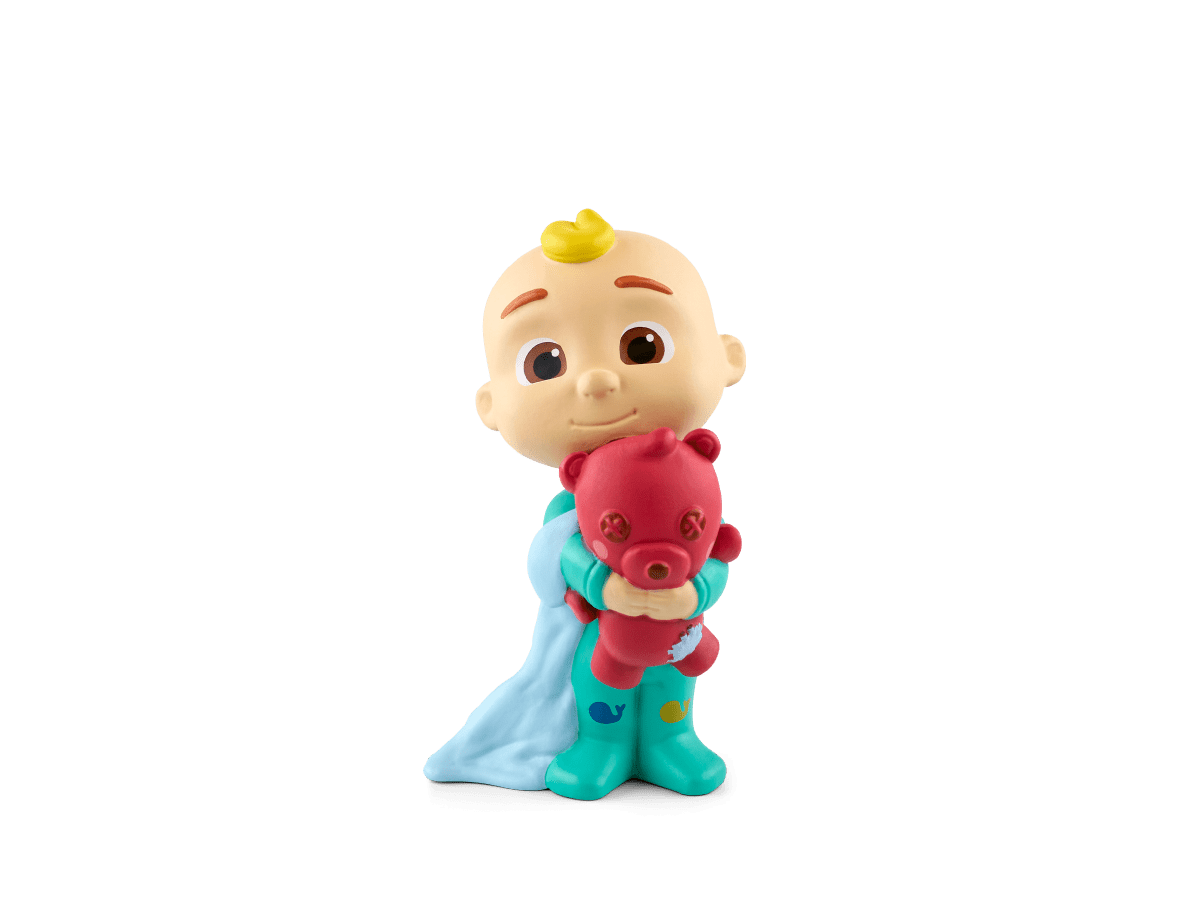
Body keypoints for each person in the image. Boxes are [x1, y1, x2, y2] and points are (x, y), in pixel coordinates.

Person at [423, 209, 747, 799]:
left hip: (678, 632)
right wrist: (605, 586)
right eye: (545, 362)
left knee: (670, 689)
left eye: (641, 345)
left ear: (727, 356)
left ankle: (671, 740)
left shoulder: (693, 476)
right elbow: (562, 558)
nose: (596, 380)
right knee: (603, 687)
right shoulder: (568, 512)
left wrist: (694, 593)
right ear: (491, 404)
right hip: (605, 632)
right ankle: (601, 745)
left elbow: (716, 548)